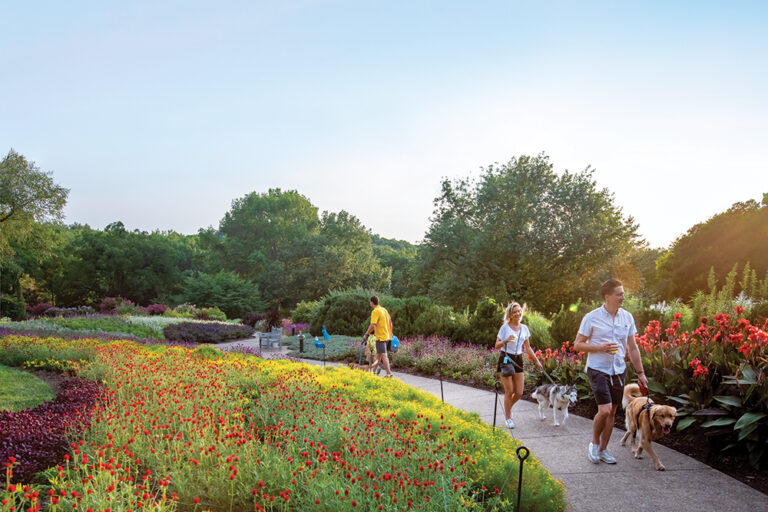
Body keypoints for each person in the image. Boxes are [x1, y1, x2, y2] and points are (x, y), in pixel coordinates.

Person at [573, 278, 648, 465]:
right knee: (605, 410)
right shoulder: (591, 317)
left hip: (618, 370)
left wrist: (640, 373)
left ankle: (604, 449)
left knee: (612, 411)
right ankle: (594, 444)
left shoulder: (627, 318)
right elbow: (577, 345)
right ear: (607, 296)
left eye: (623, 294)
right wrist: (600, 348)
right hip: (598, 369)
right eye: (619, 294)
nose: (623, 297)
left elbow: (633, 348)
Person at [495, 302, 543, 429]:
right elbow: (497, 345)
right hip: (506, 358)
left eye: (519, 311)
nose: (517, 313)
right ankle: (508, 418)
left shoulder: (524, 328)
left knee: (519, 392)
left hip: (518, 359)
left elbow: (528, 347)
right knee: (509, 390)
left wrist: (536, 361)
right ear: (510, 315)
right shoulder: (505, 328)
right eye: (514, 312)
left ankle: (507, 409)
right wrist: (505, 340)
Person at [363, 296, 394, 378]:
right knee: (378, 355)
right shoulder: (384, 310)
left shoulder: (375, 311)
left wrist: (366, 334)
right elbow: (390, 323)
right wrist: (390, 333)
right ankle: (373, 372)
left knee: (383, 355)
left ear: (372, 302)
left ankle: (389, 374)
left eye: (370, 302)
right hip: (387, 336)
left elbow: (373, 325)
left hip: (381, 337)